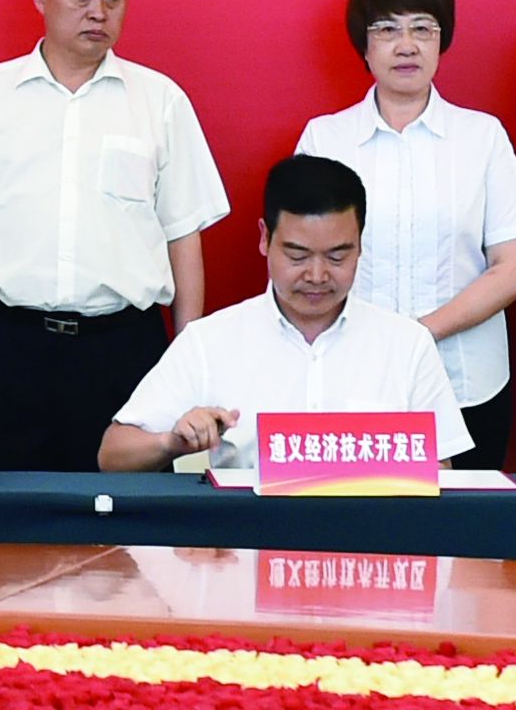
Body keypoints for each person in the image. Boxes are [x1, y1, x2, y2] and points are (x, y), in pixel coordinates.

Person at [0, 0, 225, 471]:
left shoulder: (160, 102)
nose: (98, 12)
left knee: (126, 514)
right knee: (5, 510)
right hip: (10, 347)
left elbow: (183, 239)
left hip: (124, 347)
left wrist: (183, 362)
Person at [295, 0, 516, 470]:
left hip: (466, 382)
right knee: (352, 519)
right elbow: (300, 261)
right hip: (351, 377)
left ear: (442, 40)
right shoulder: (326, 139)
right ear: (363, 45)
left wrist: (419, 335)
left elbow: (514, 266)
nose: (406, 45)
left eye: (423, 29)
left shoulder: (482, 137)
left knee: (466, 520)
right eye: (387, 30)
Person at [98, 155, 467, 473]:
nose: (317, 276)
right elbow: (112, 455)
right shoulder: (209, 341)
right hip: (247, 532)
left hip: (370, 532)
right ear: (265, 238)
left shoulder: (407, 344)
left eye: (337, 256)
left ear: (360, 244)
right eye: (297, 256)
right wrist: (171, 442)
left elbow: (441, 470)